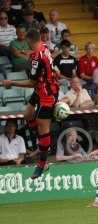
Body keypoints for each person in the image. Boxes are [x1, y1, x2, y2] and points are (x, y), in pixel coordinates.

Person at [2, 29, 59, 179]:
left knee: (42, 125)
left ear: (28, 40)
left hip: (47, 93)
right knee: (27, 114)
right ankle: (40, 144)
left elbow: (31, 82)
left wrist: (12, 82)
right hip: (40, 89)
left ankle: (42, 163)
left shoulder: (37, 57)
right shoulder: (44, 46)